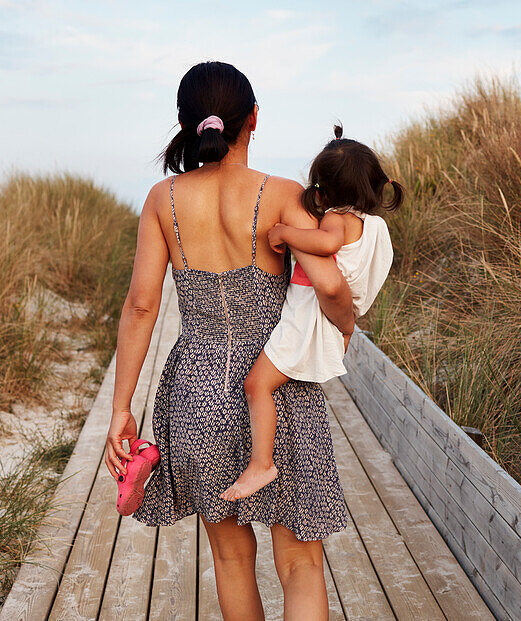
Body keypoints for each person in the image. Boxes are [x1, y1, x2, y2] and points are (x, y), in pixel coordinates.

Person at [104, 60, 349, 620]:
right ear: (253, 120)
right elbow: (331, 283)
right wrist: (345, 326)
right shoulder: (284, 194)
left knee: (232, 560)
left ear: (188, 125)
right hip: (279, 384)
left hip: (196, 394)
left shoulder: (161, 200)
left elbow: (142, 306)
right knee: (302, 566)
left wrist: (121, 408)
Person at [219, 125, 401, 501]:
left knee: (256, 385)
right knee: (268, 384)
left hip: (307, 316)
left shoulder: (338, 218)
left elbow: (326, 242)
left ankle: (261, 463)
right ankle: (263, 462)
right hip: (330, 319)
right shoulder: (372, 226)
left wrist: (285, 232)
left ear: (324, 190)